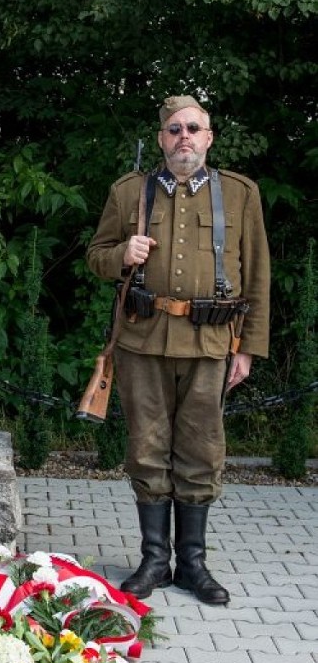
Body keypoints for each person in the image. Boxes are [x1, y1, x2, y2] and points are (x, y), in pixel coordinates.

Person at [86, 95, 270, 606]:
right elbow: (95, 257)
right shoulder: (130, 192)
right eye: (173, 129)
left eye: (193, 128)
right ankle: (153, 560)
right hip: (142, 341)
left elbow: (257, 274)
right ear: (162, 139)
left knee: (201, 449)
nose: (183, 136)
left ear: (209, 138)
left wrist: (248, 349)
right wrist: (121, 255)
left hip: (212, 343)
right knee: (146, 446)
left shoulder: (238, 194)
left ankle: (192, 563)